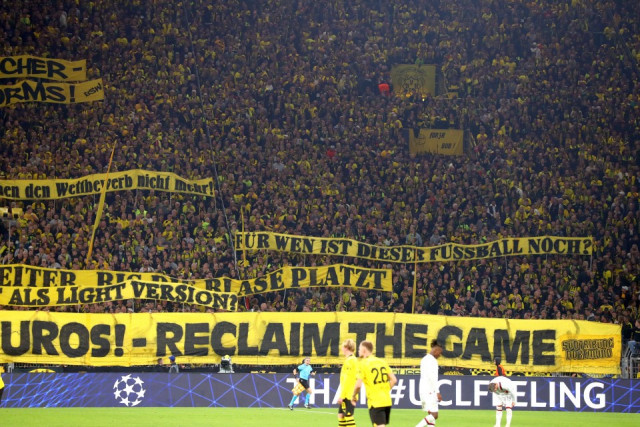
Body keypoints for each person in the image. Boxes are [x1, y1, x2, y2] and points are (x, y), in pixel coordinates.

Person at [351, 340, 398, 427]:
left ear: (364, 350)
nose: (358, 351)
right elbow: (394, 380)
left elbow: (358, 385)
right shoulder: (382, 362)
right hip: (387, 400)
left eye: (359, 349)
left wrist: (353, 396)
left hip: (375, 402)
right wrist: (385, 390)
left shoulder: (363, 363)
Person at [416, 339, 443, 427]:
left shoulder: (424, 359)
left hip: (423, 389)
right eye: (440, 353)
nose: (440, 355)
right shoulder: (432, 361)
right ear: (436, 350)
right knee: (435, 415)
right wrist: (437, 392)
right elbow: (432, 378)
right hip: (430, 391)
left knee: (431, 415)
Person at [337, 339, 358, 427]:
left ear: (346, 347)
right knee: (341, 415)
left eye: (343, 347)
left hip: (349, 394)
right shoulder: (351, 360)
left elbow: (348, 380)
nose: (341, 349)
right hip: (348, 393)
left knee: (348, 417)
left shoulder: (351, 360)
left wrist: (342, 396)